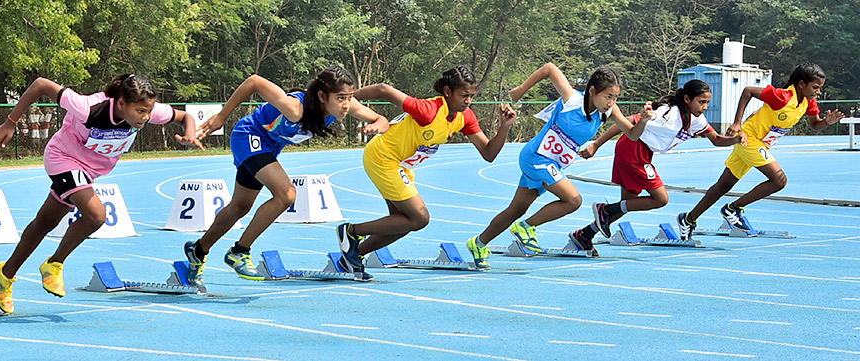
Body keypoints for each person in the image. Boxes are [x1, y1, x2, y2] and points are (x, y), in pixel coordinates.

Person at [0, 74, 203, 313]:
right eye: (140, 111)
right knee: (97, 215)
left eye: (148, 111)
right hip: (63, 159)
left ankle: (5, 273)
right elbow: (41, 85)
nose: (146, 117)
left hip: (87, 173)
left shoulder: (149, 111)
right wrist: (10, 122)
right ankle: (54, 264)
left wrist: (190, 134)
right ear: (121, 104)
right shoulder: (88, 107)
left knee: (45, 222)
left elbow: (184, 117)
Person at [184, 66, 388, 285]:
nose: (346, 104)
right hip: (250, 136)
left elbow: (381, 119)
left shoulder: (347, 105)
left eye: (349, 97)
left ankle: (198, 250)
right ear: (322, 96)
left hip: (270, 146)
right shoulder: (295, 108)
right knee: (287, 194)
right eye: (340, 98)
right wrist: (222, 116)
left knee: (240, 207)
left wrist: (377, 125)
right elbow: (253, 81)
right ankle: (239, 251)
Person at [336, 65, 518, 276]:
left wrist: (505, 127)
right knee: (419, 218)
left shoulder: (464, 116)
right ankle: (351, 231)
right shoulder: (428, 110)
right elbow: (384, 89)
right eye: (463, 95)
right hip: (383, 157)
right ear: (448, 92)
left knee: (402, 224)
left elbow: (488, 153)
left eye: (471, 96)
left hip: (401, 165)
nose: (468, 101)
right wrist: (345, 100)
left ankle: (352, 256)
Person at [466, 63, 646, 269]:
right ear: (593, 91)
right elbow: (550, 68)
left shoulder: (608, 112)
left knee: (516, 209)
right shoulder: (572, 99)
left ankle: (479, 243)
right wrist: (520, 90)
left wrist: (644, 120)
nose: (611, 103)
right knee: (573, 200)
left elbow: (632, 133)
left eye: (615, 98)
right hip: (537, 157)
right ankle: (526, 227)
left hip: (552, 164)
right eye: (608, 96)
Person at [675, 63, 844, 240]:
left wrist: (827, 122)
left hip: (759, 144)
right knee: (779, 180)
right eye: (815, 87)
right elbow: (748, 91)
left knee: (723, 185)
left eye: (820, 88)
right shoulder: (782, 96)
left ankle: (688, 219)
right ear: (801, 84)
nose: (818, 92)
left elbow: (814, 124)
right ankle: (733, 209)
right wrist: (737, 122)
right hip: (748, 138)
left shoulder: (808, 102)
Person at [573, 80, 744, 244]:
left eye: (707, 102)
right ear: (687, 99)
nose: (705, 107)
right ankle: (605, 210)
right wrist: (596, 144)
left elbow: (716, 139)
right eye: (701, 102)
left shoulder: (697, 119)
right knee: (660, 199)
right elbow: (626, 122)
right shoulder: (667, 113)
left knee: (628, 203)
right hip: (634, 149)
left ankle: (584, 235)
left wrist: (736, 140)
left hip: (642, 152)